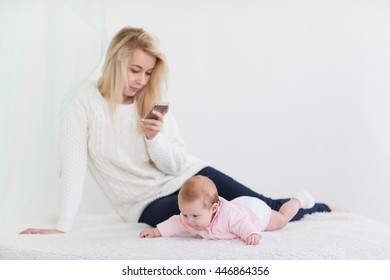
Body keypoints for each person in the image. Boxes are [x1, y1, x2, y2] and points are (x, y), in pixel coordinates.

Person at [20, 26, 331, 235]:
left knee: (266, 208)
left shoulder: (152, 100)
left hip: (188, 176)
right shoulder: (82, 101)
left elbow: (176, 165)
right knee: (231, 219)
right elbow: (72, 168)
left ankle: (319, 207)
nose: (141, 80)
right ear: (115, 62)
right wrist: (61, 225)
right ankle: (310, 206)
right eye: (135, 70)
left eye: (148, 73)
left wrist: (154, 139)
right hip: (144, 203)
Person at [140, 175, 315, 245]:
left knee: (282, 220)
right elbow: (175, 223)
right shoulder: (189, 219)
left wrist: (251, 234)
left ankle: (298, 199)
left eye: (194, 215)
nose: (188, 220)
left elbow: (242, 223)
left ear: (214, 209)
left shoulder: (229, 216)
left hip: (253, 211)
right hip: (239, 203)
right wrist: (156, 231)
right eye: (185, 213)